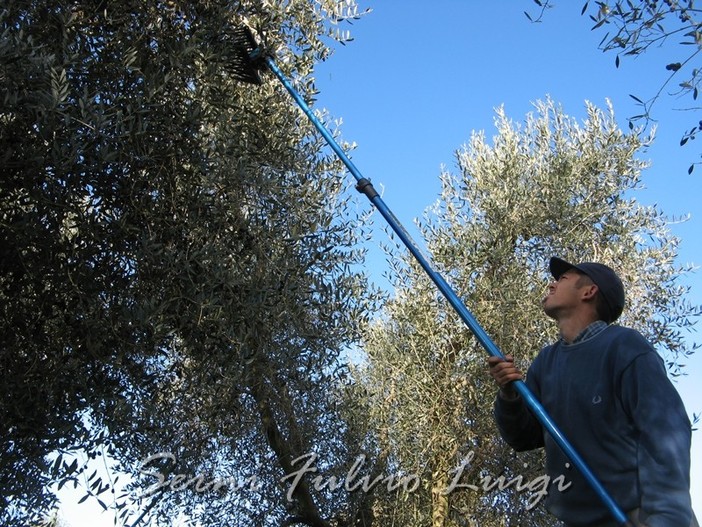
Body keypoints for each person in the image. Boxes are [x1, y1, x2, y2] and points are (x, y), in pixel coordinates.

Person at [487, 256, 698, 527]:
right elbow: (523, 437)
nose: (551, 285)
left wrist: (668, 518)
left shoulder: (625, 347)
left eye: (562, 279)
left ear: (589, 291)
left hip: (639, 516)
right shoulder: (546, 362)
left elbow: (665, 432)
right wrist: (509, 395)